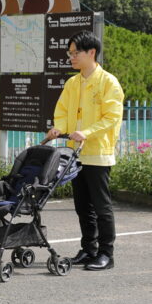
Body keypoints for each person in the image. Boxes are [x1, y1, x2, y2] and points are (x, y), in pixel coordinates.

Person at [45, 30, 124, 271]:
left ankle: (106, 254)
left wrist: (87, 132)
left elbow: (112, 117)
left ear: (91, 52)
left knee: (101, 207)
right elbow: (62, 111)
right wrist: (59, 128)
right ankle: (89, 250)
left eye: (75, 53)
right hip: (75, 154)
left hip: (98, 153)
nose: (71, 57)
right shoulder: (72, 83)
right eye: (69, 53)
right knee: (82, 206)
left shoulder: (108, 82)